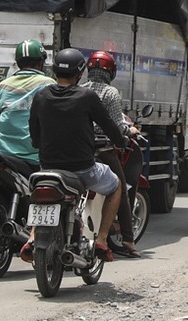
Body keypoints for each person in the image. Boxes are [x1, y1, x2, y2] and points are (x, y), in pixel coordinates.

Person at [27, 49, 130, 262]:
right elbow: (109, 125)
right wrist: (121, 142)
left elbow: (35, 134)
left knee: (39, 197)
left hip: (47, 168)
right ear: (80, 73)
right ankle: (102, 239)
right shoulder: (87, 97)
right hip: (83, 170)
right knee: (116, 185)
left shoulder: (41, 96)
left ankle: (32, 235)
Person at [85, 49, 146, 258]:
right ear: (111, 72)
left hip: (83, 148)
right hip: (104, 150)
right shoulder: (111, 93)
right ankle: (129, 241)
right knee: (120, 189)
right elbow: (116, 124)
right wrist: (130, 131)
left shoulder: (82, 89)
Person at [0, 40, 54, 174]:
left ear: (18, 63)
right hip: (35, 158)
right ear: (41, 62)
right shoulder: (49, 84)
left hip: (1, 155)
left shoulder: (4, 85)